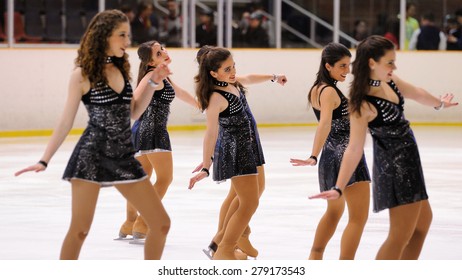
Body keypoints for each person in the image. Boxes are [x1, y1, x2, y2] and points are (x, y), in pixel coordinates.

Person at [14, 10, 171, 260]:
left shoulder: (121, 69)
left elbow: (132, 112)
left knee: (161, 224)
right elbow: (65, 121)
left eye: (127, 35)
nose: (126, 40)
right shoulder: (82, 74)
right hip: (91, 154)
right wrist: (44, 159)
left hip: (122, 154)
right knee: (79, 231)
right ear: (103, 36)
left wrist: (153, 82)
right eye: (121, 35)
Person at [310, 35, 458, 260]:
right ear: (372, 63)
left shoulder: (390, 81)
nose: (394, 66)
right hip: (394, 169)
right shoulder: (363, 103)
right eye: (389, 62)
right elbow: (354, 148)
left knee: (422, 224)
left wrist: (440, 104)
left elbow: (416, 92)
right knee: (399, 236)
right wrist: (339, 186)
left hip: (409, 163)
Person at [193, 46, 287, 259]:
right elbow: (210, 132)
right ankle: (225, 246)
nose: (233, 71)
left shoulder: (232, 83)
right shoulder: (215, 97)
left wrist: (273, 77)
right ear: (213, 73)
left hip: (250, 144)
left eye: (233, 66)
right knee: (247, 201)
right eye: (227, 69)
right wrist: (206, 163)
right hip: (236, 150)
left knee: (251, 196)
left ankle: (230, 241)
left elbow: (250, 78)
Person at [290, 42, 370, 260]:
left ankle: (314, 260)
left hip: (330, 157)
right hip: (345, 155)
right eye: (342, 66)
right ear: (328, 66)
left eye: (348, 65)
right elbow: (325, 123)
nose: (347, 70)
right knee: (358, 217)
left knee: (334, 213)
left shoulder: (317, 89)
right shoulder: (328, 92)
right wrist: (313, 155)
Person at [117, 40, 198, 241]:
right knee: (165, 179)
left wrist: (200, 105)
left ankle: (129, 223)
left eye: (163, 48)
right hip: (153, 131)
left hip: (141, 131)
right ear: (151, 62)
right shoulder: (151, 76)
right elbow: (134, 99)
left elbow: (181, 93)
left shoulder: (162, 77)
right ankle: (143, 222)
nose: (164, 52)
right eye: (158, 52)